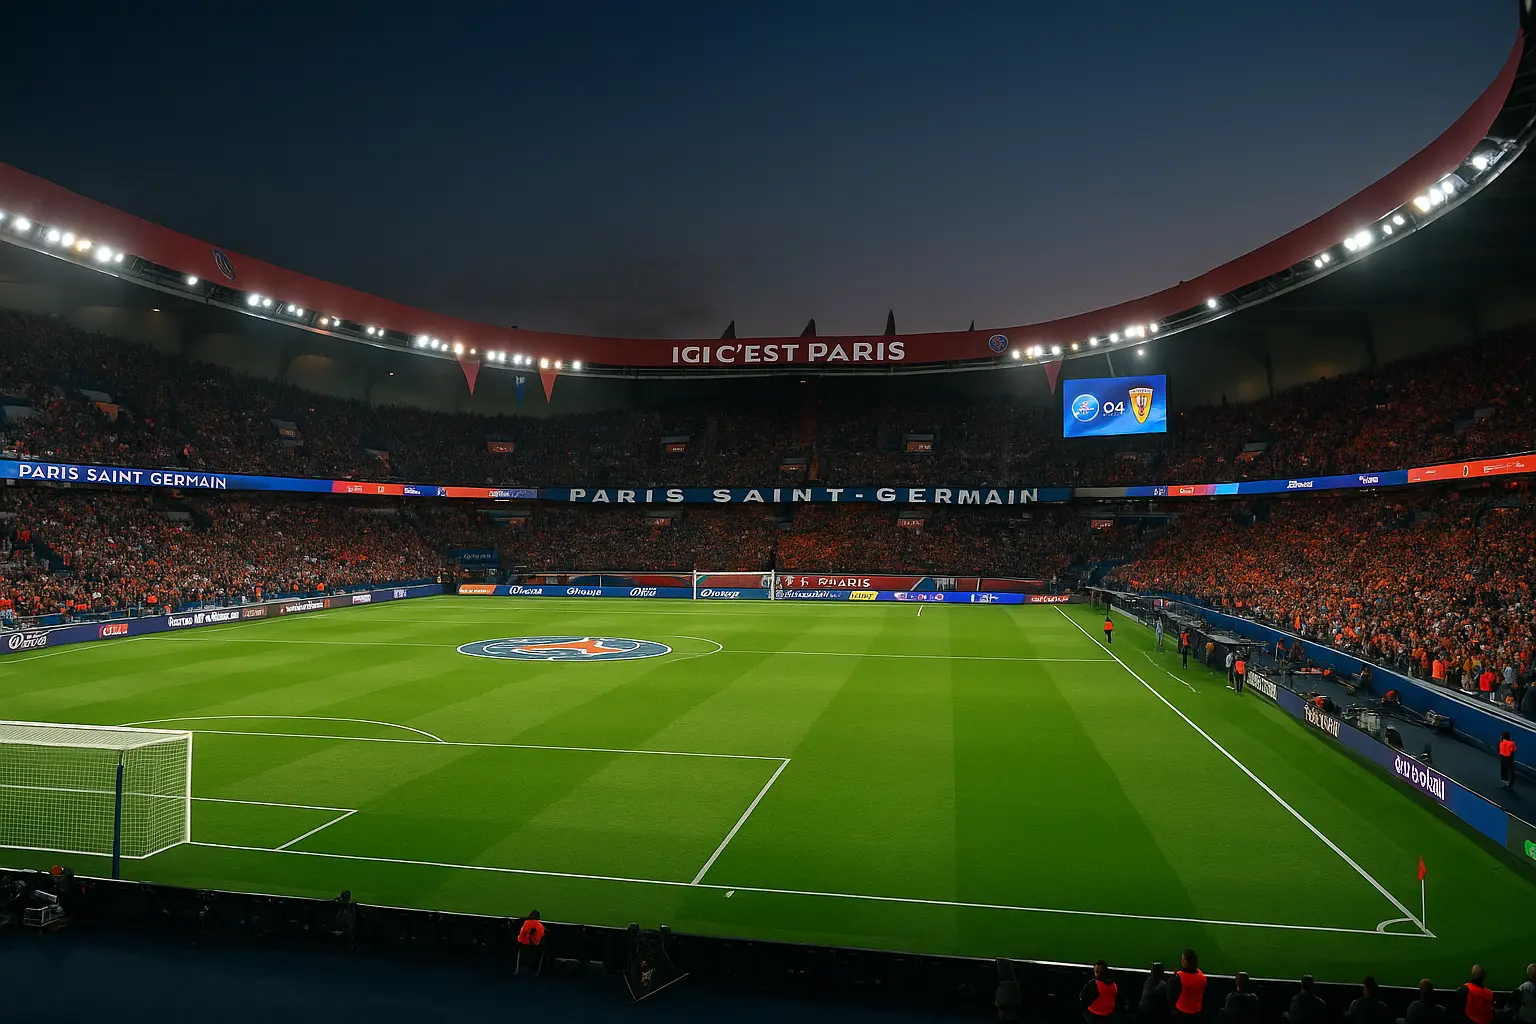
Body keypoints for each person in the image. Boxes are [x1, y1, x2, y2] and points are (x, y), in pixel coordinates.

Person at [1169, 949, 1207, 1022]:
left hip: (1182, 1013)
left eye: (1183, 959)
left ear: (1185, 962)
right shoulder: (1202, 977)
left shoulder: (1180, 977)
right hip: (1197, 1012)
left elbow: (1172, 994)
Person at [516, 909, 546, 976]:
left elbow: (521, 935)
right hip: (536, 946)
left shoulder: (526, 923)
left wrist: (519, 941)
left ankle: (522, 967)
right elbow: (541, 937)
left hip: (525, 945)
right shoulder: (540, 926)